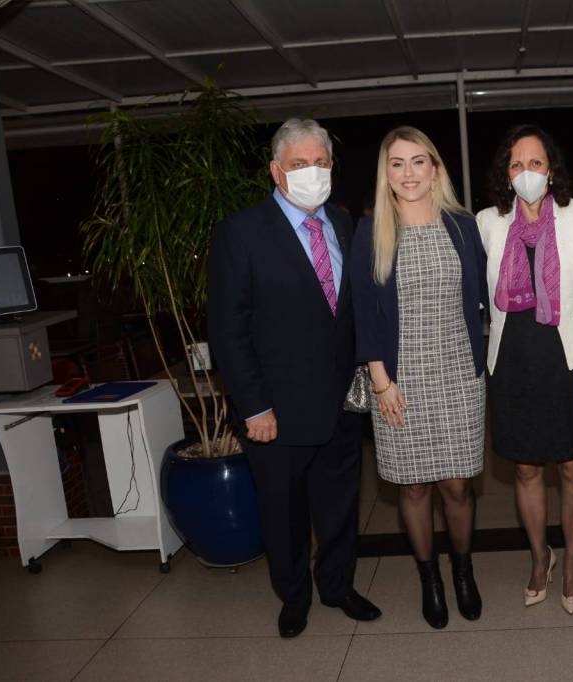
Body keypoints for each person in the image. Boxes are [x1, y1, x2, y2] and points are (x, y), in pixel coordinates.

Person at [207, 118, 382, 638]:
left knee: (340, 506)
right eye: (300, 163)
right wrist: (254, 406)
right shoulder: (241, 233)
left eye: (321, 162)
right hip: (276, 412)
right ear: (276, 171)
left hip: (341, 404)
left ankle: (337, 585)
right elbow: (228, 330)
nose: (313, 172)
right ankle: (294, 595)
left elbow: (350, 311)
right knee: (283, 513)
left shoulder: (344, 223)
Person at [351, 126, 488, 630]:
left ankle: (463, 571)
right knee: (412, 489)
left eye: (417, 161)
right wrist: (380, 381)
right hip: (399, 381)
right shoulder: (371, 231)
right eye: (397, 163)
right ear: (385, 174)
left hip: (458, 374)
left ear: (435, 169)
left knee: (457, 486)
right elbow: (364, 313)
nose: (408, 173)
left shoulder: (462, 226)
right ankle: (429, 577)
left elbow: (483, 296)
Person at [477, 125, 573, 615]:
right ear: (505, 174)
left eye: (535, 163)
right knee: (526, 468)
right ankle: (540, 558)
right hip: (512, 361)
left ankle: (571, 561)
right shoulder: (487, 223)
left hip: (567, 358)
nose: (526, 172)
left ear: (550, 170)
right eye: (516, 164)